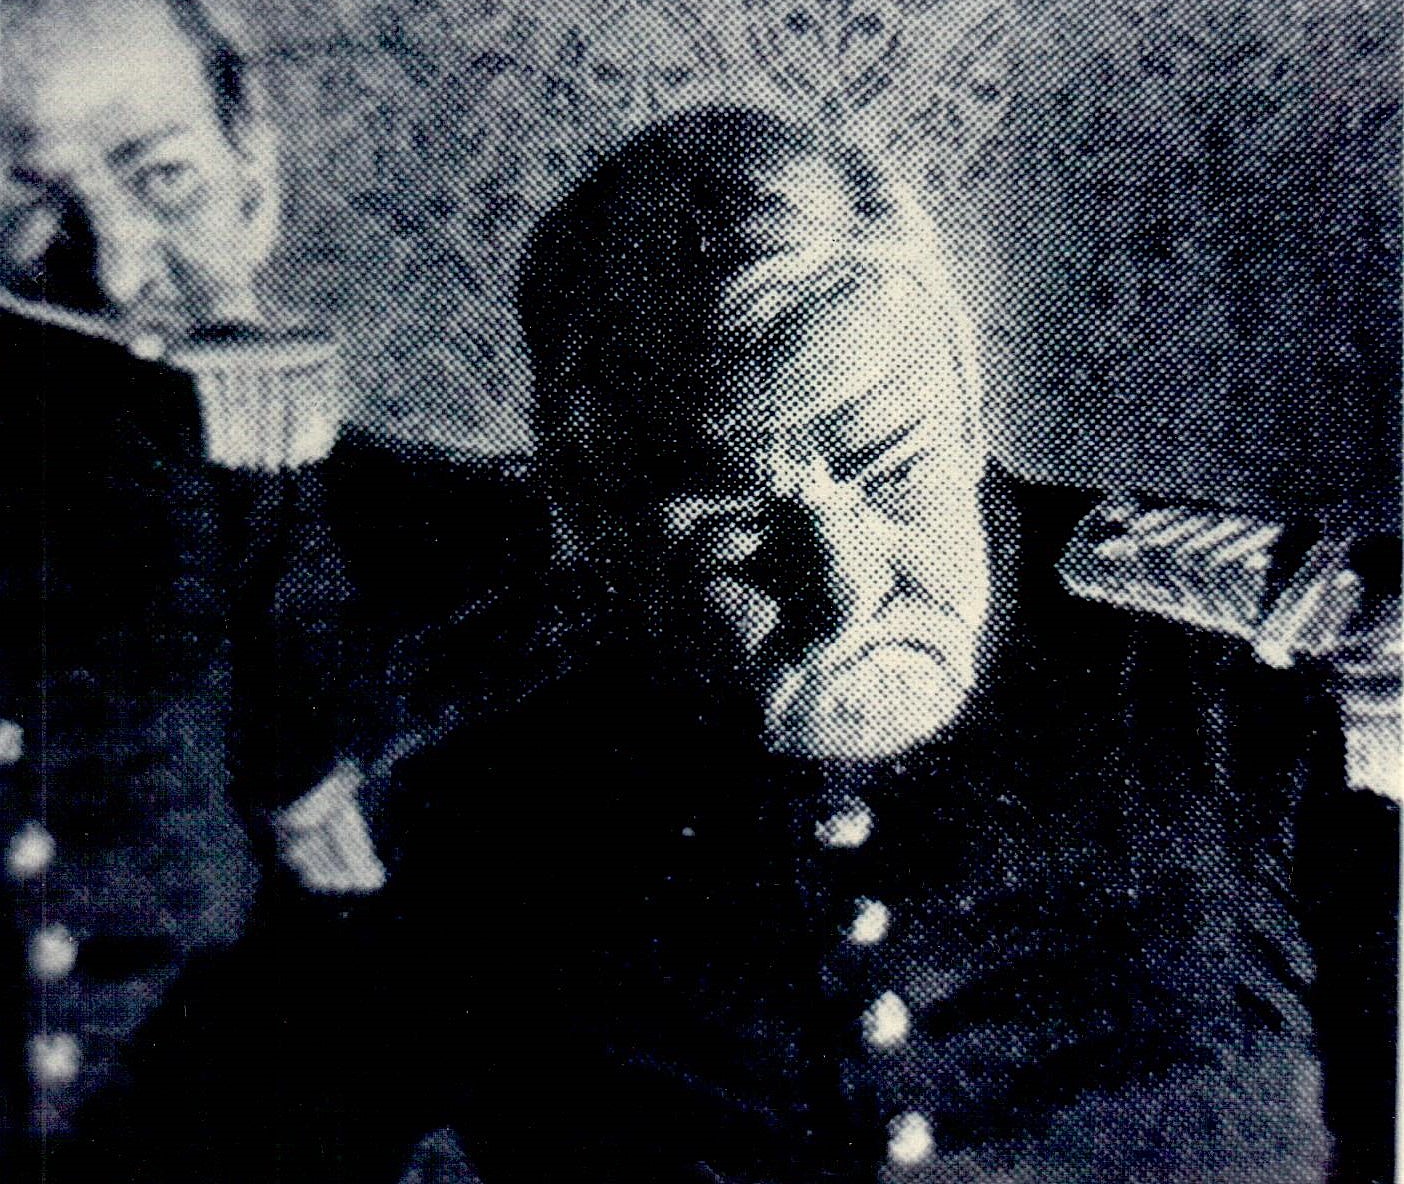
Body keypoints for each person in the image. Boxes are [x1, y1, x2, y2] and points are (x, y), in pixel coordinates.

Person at [67, 107, 1396, 1183]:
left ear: (966, 390)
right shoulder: (472, 794)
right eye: (735, 525)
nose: (845, 590)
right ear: (589, 517)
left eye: (890, 468)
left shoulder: (1259, 682)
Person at [0, 0, 545, 1166]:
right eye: (26, 209)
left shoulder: (455, 549)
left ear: (255, 168)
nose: (117, 268)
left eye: (164, 178)